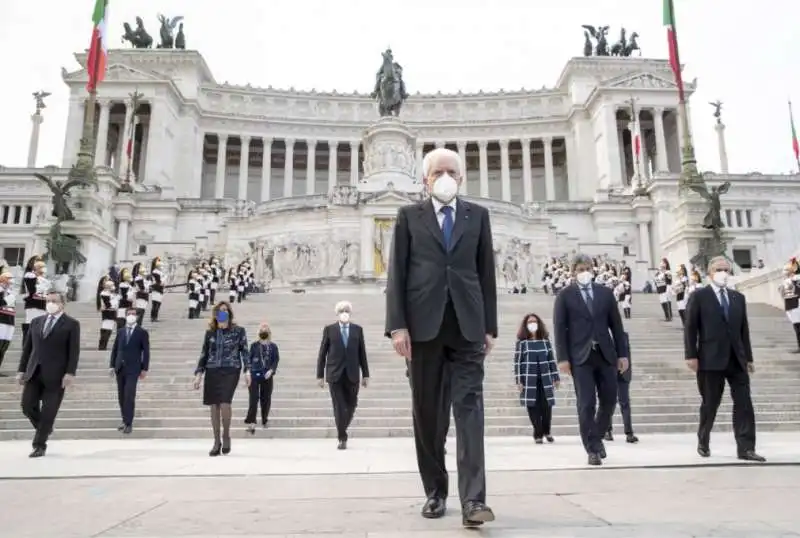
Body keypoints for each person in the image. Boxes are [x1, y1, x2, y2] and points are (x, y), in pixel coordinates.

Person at [385, 147, 497, 528]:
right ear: (425, 180)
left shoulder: (477, 216)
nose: (446, 177)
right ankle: (435, 490)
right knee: (428, 416)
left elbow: (486, 274)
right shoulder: (408, 217)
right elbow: (396, 275)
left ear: (461, 178)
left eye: (452, 171)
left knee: (470, 413)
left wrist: (489, 326)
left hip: (466, 326)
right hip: (423, 328)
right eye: (438, 172)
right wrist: (398, 326)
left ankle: (474, 500)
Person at [683, 256, 765, 462]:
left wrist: (749, 358)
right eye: (719, 269)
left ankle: (746, 448)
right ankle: (703, 438)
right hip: (710, 359)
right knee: (710, 403)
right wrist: (691, 355)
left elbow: (743, 330)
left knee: (744, 403)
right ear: (710, 273)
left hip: (737, 359)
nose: (723, 273)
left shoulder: (738, 298)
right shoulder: (699, 296)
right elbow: (690, 328)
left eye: (727, 270)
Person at [552, 253, 628, 466]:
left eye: (587, 268)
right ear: (573, 272)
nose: (584, 272)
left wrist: (622, 354)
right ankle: (592, 449)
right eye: (579, 269)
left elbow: (617, 326)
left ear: (592, 270)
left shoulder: (605, 294)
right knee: (586, 404)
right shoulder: (565, 295)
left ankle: (595, 437)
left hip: (605, 354)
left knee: (610, 399)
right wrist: (563, 358)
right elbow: (560, 329)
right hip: (580, 357)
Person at [16, 291, 81, 457]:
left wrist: (70, 372)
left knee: (48, 411)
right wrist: (21, 370)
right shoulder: (36, 322)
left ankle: (39, 445)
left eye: (54, 301)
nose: (50, 303)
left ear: (62, 304)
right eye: (48, 301)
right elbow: (28, 348)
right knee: (27, 406)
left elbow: (74, 351)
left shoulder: (71, 324)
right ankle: (45, 428)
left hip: (56, 375)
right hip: (34, 372)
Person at [193, 301, 248, 456]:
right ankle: (217, 441)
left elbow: (245, 351)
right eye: (220, 311)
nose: (223, 313)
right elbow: (204, 354)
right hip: (212, 370)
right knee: (214, 406)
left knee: (225, 403)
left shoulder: (238, 331)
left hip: (231, 370)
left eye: (225, 310)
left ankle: (226, 435)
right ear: (216, 314)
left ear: (229, 314)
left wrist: (247, 371)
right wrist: (198, 375)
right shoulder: (210, 333)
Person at [316, 301, 370, 450]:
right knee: (339, 406)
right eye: (341, 310)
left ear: (350, 312)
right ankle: (342, 437)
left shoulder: (357, 330)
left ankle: (342, 427)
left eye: (346, 310)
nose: (344, 312)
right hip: (335, 374)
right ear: (337, 313)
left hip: (352, 374)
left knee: (351, 405)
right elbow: (322, 353)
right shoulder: (329, 330)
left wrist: (365, 374)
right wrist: (320, 375)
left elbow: (362, 353)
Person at [513, 313, 559, 444]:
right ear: (525, 326)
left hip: (545, 378)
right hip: (529, 379)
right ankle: (537, 433)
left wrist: (555, 377)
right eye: (529, 322)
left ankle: (547, 431)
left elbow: (551, 360)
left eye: (534, 321)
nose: (532, 324)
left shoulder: (545, 342)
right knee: (532, 406)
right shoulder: (522, 343)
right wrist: (519, 380)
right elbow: (517, 362)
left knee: (546, 406)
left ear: (539, 324)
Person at [109, 307, 150, 433]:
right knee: (121, 396)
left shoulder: (141, 332)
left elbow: (146, 351)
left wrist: (144, 368)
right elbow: (115, 349)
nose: (131, 316)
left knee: (129, 395)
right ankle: (124, 419)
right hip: (120, 367)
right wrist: (112, 365)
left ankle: (129, 422)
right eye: (129, 314)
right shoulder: (121, 331)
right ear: (125, 315)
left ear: (137, 316)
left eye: (133, 314)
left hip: (133, 368)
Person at [245, 322, 280, 433]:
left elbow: (276, 360)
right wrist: (248, 372)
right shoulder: (254, 345)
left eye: (266, 330)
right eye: (262, 330)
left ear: (269, 332)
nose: (263, 331)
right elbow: (248, 360)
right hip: (254, 375)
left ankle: (265, 420)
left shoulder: (273, 346)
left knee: (266, 399)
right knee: (253, 399)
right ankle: (252, 422)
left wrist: (271, 370)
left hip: (267, 375)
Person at [604, 331, 639, 443]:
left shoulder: (624, 335)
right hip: (609, 374)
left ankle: (629, 433)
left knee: (625, 403)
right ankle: (607, 431)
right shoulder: (602, 335)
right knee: (609, 403)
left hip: (623, 375)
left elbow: (627, 355)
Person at [0, 266, 16, 375]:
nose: (11, 280)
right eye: (8, 278)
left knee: (5, 345)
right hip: (1, 320)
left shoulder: (10, 292)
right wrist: (5, 301)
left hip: (10, 320)